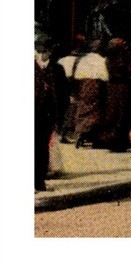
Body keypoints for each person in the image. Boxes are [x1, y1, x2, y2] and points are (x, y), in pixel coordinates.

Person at [70, 39, 109, 148]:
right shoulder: (102, 60)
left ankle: (81, 134)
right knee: (96, 113)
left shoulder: (82, 60)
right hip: (96, 87)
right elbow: (105, 77)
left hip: (83, 87)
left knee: (83, 111)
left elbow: (75, 76)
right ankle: (96, 139)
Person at [36, 37, 60, 192]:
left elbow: (57, 94)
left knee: (42, 148)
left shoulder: (53, 68)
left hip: (45, 114)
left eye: (47, 51)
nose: (45, 54)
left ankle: (39, 181)